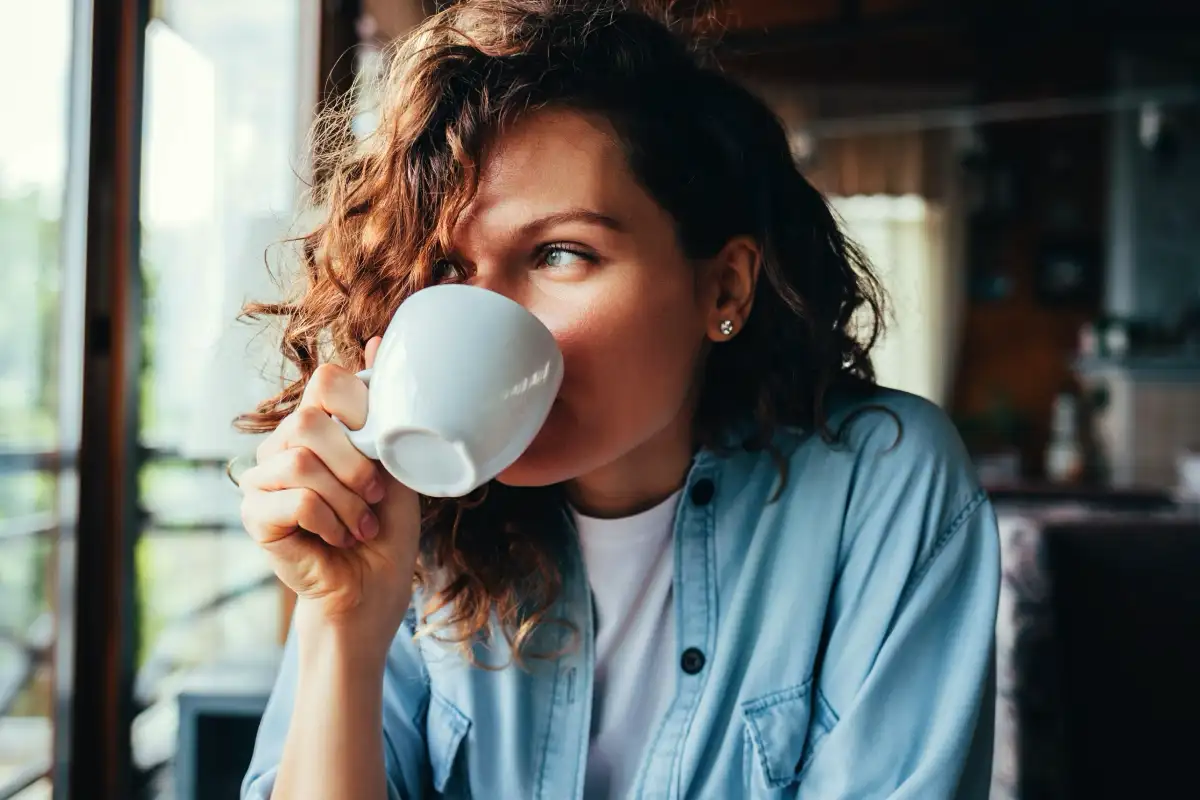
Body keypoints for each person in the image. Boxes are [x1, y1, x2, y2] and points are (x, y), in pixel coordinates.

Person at [236, 1, 1000, 797]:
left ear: (723, 287)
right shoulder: (404, 513)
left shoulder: (878, 484)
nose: (486, 315)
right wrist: (343, 624)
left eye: (561, 253)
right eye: (449, 269)